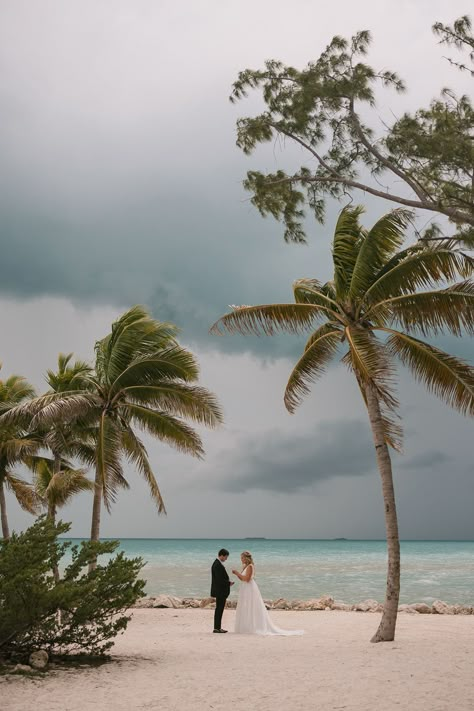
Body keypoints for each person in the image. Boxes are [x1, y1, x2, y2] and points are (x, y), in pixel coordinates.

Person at [232, 551, 304, 636]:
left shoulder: (250, 566)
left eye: (242, 558)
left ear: (246, 558)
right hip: (244, 588)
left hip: (249, 588)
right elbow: (242, 579)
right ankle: (246, 626)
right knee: (245, 606)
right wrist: (238, 575)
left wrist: (237, 573)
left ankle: (253, 627)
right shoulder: (245, 567)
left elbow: (247, 579)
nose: (241, 560)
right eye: (241, 558)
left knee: (251, 606)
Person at [210, 548, 234, 633]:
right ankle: (217, 628)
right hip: (220, 591)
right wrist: (228, 583)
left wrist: (228, 582)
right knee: (219, 609)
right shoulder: (217, 564)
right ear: (222, 555)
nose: (226, 559)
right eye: (226, 557)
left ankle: (217, 627)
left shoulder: (217, 563)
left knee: (219, 609)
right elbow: (219, 580)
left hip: (219, 591)